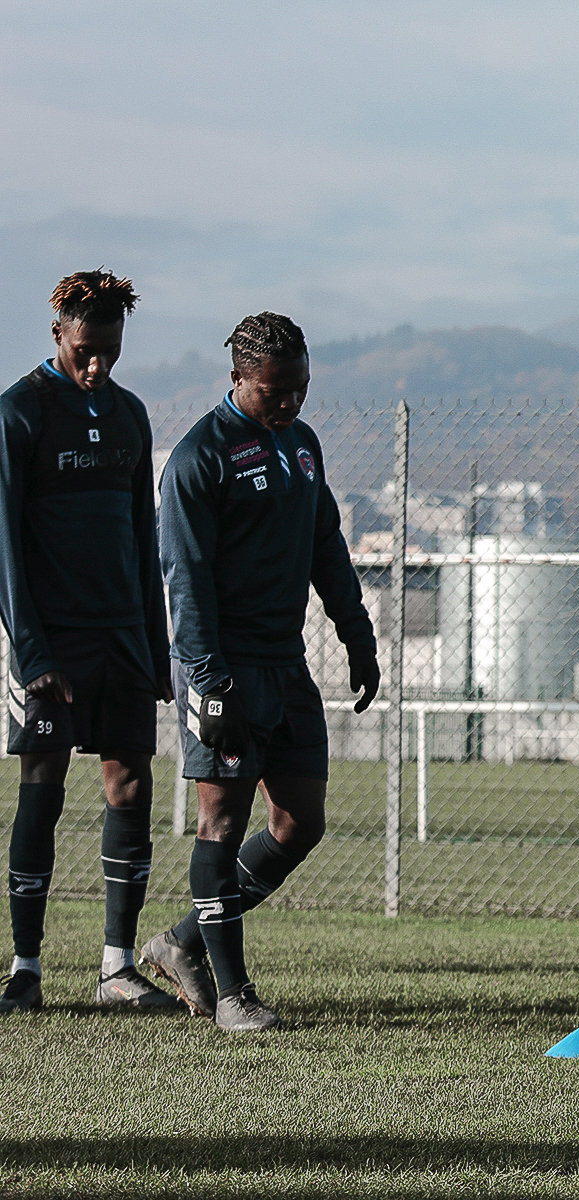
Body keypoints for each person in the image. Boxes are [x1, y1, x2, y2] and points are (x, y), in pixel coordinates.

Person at [140, 312, 380, 1032]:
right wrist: (210, 683)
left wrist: (357, 633)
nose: (291, 404)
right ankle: (234, 995)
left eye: (300, 389)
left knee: (299, 823)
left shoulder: (303, 447)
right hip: (223, 667)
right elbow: (184, 581)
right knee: (221, 821)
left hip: (287, 664)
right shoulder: (197, 459)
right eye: (276, 391)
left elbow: (326, 546)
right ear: (239, 378)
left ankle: (181, 941)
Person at [0, 270, 178, 1014]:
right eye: (85, 349)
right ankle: (26, 969)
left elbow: (145, 538)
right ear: (58, 336)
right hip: (54, 645)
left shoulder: (131, 415)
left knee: (129, 785)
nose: (98, 363)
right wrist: (32, 653)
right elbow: (4, 542)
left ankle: (115, 970)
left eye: (109, 349)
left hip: (123, 642)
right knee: (41, 787)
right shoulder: (21, 412)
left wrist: (156, 647)